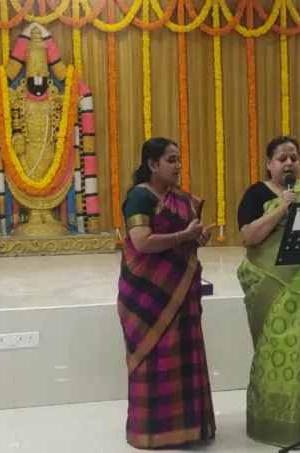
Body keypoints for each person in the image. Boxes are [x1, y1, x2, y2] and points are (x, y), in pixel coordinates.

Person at [117, 137, 217, 449]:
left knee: (184, 355)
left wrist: (197, 238)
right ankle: (153, 432)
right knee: (155, 359)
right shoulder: (140, 197)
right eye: (171, 160)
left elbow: (186, 239)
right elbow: (142, 242)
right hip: (148, 294)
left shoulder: (180, 198)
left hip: (182, 289)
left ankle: (188, 428)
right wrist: (183, 235)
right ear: (152, 164)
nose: (178, 166)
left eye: (178, 159)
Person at [236, 136, 300, 448]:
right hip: (271, 287)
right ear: (269, 164)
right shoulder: (256, 194)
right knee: (274, 355)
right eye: (282, 158)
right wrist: (281, 209)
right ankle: (270, 427)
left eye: (294, 157)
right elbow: (248, 237)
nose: (289, 163)